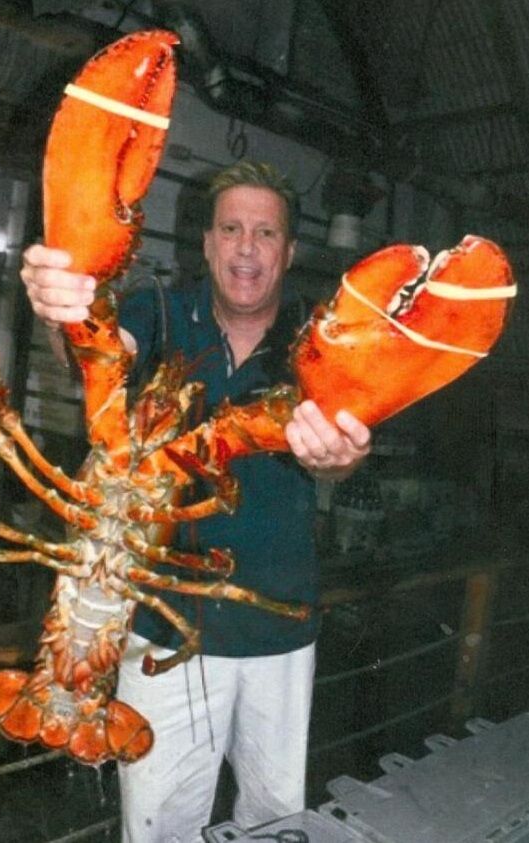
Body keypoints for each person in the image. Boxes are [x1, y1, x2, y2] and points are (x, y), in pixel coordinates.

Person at [21, 160, 371, 843]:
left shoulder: (321, 341)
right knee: (158, 826)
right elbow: (97, 355)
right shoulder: (156, 311)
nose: (246, 248)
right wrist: (64, 313)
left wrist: (343, 459)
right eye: (231, 229)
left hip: (280, 632)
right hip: (160, 634)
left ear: (288, 252)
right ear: (206, 243)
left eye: (265, 233)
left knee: (276, 820)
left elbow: (344, 442)